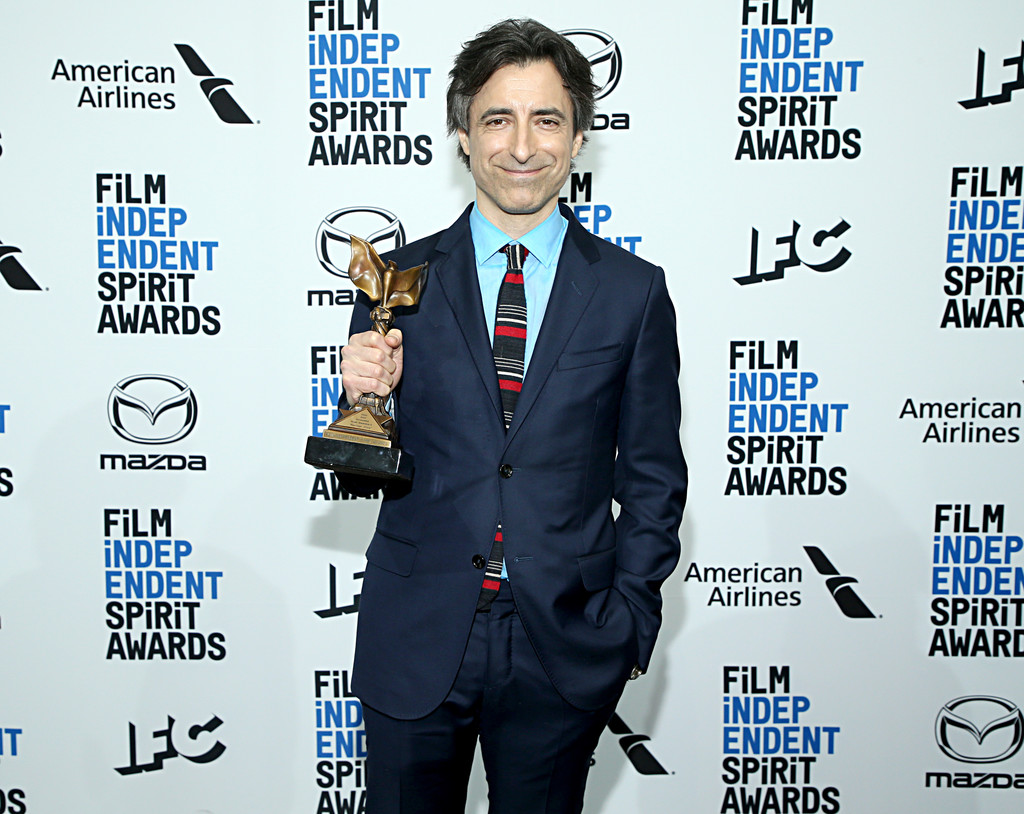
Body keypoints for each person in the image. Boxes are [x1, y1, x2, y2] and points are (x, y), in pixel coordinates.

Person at [339, 18, 687, 814]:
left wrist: (630, 620)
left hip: (563, 642)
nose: (522, 146)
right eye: (498, 119)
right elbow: (364, 468)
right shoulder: (395, 282)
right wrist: (363, 401)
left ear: (579, 136)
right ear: (463, 135)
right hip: (417, 632)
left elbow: (654, 477)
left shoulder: (633, 292)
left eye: (547, 120)